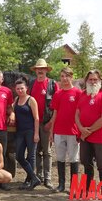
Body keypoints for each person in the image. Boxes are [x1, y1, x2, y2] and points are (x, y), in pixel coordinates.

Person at [75, 69, 102, 201]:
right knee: (87, 163)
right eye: (90, 79)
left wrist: (89, 130)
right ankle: (87, 191)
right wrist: (81, 128)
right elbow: (77, 114)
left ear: (100, 80)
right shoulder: (83, 94)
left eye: (95, 79)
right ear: (86, 81)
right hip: (85, 136)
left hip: (99, 137)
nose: (92, 82)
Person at [49, 67, 82, 193]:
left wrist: (80, 129)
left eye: (67, 76)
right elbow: (55, 114)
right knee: (60, 158)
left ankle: (74, 186)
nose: (64, 79)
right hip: (59, 131)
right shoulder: (58, 94)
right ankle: (61, 184)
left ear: (71, 77)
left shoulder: (78, 93)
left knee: (73, 159)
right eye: (62, 76)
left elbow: (81, 113)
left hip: (73, 131)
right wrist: (52, 131)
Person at [29, 58, 59, 189]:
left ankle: (48, 178)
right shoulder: (31, 84)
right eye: (38, 69)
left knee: (47, 151)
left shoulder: (52, 84)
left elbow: (57, 106)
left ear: (46, 70)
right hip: (33, 123)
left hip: (47, 122)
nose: (40, 71)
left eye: (42, 69)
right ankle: (39, 176)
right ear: (35, 71)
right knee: (36, 151)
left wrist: (52, 123)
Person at [13, 78, 41, 190]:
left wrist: (36, 134)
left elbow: (37, 118)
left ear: (26, 89)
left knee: (31, 156)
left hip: (30, 131)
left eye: (22, 88)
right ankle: (34, 178)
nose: (20, 90)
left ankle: (29, 180)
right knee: (19, 156)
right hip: (20, 131)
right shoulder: (16, 100)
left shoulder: (31, 100)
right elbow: (11, 110)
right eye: (18, 89)